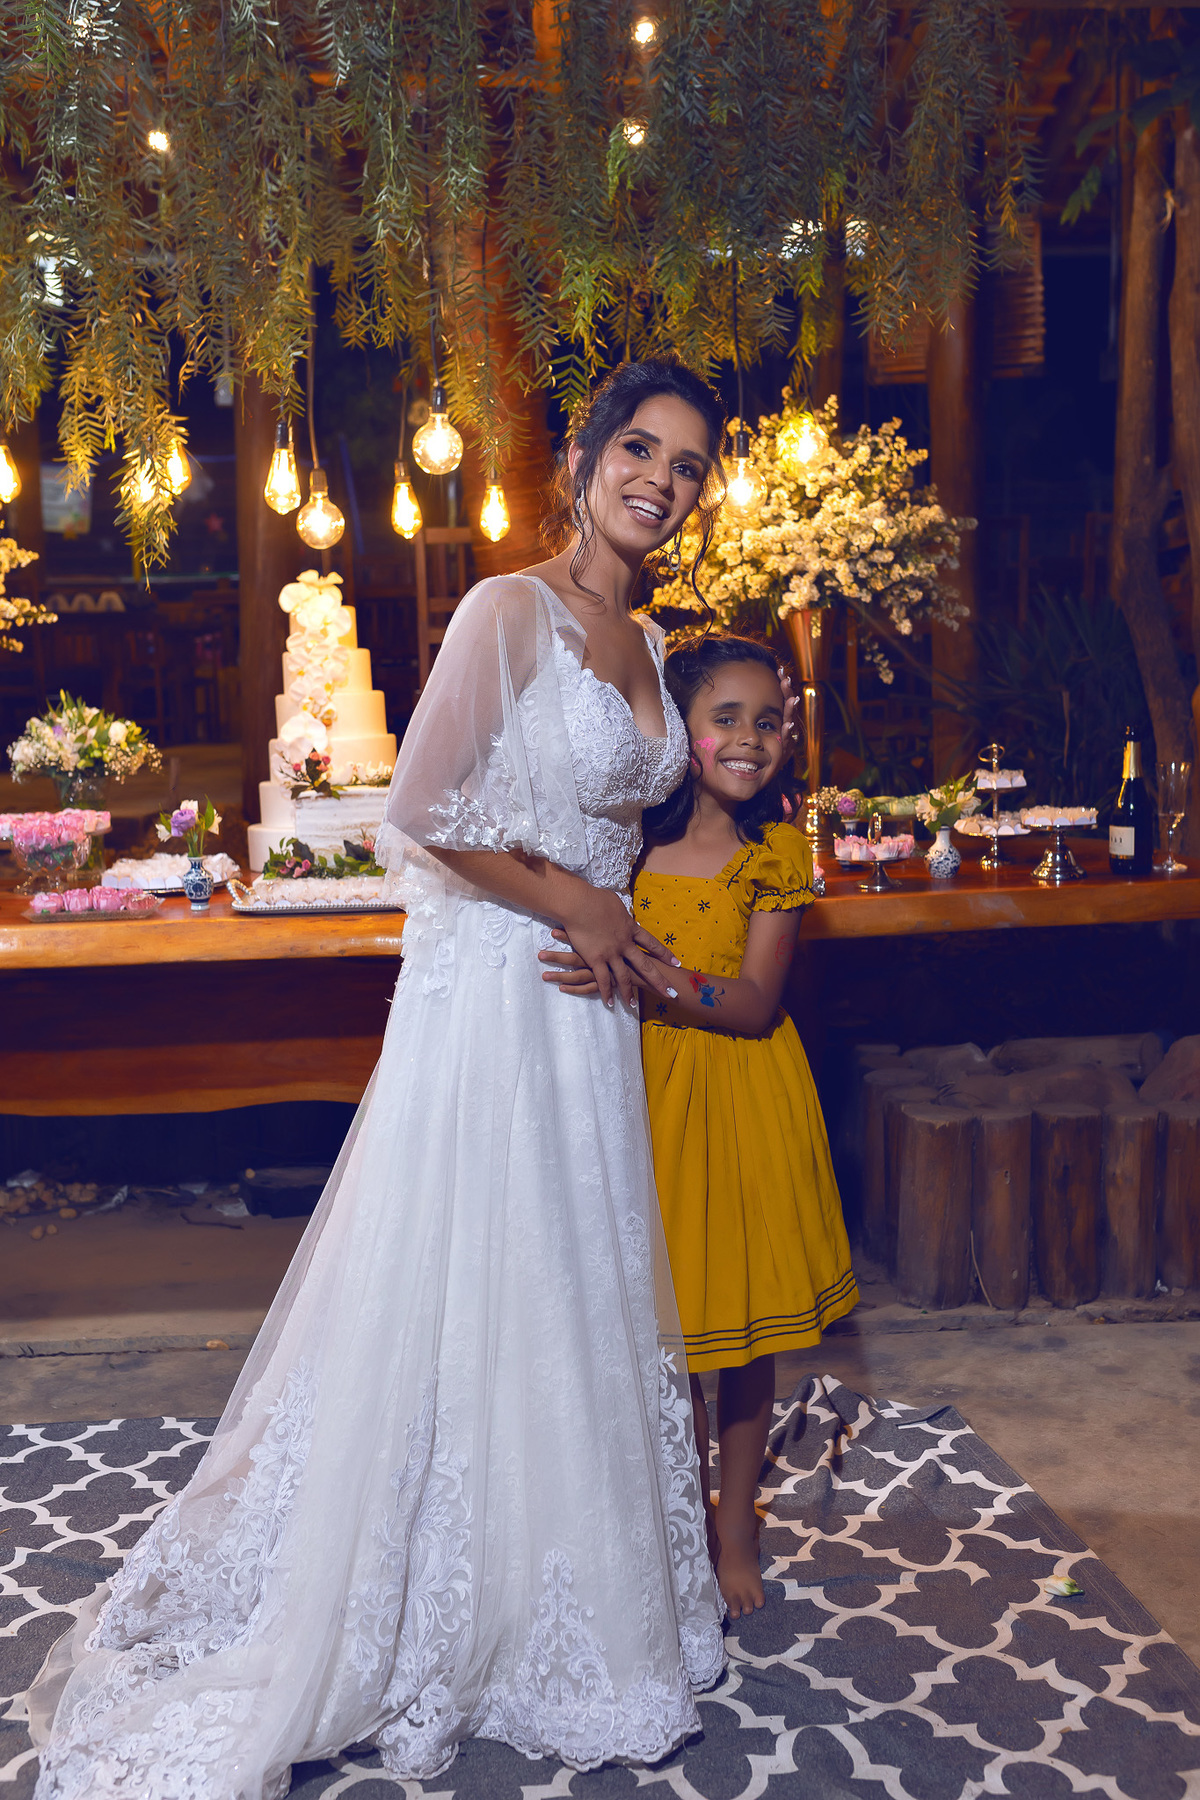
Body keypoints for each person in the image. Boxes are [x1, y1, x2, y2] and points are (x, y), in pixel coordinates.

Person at [25, 362, 728, 1800]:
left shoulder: (653, 641)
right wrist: (574, 905)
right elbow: (419, 806)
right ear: (585, 457)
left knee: (567, 1278)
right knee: (472, 1270)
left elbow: (613, 818)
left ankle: (565, 1596)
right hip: (500, 988)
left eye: (688, 465)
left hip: (585, 1005)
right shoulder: (507, 609)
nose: (661, 481)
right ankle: (418, 1596)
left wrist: (625, 921)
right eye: (640, 449)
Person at [541, 634, 857, 1620]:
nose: (752, 739)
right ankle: (679, 1524)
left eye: (770, 722)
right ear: (678, 732)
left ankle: (736, 1531)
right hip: (639, 1098)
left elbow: (755, 1003)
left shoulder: (776, 853)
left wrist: (647, 969)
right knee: (660, 1331)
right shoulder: (624, 847)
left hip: (740, 1099)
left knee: (741, 1336)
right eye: (727, 719)